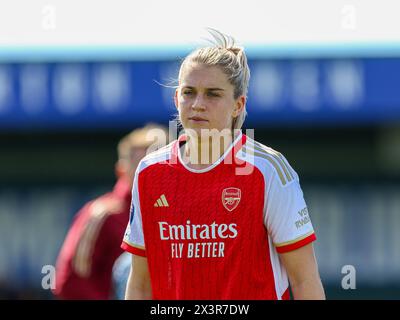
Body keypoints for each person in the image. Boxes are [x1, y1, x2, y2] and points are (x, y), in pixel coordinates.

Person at [121, 29, 325, 300]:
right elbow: (140, 285)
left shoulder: (268, 170)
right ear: (176, 99)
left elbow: (305, 280)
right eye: (188, 92)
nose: (198, 104)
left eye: (213, 94)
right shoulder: (149, 172)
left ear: (238, 105)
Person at [53, 124, 167, 299]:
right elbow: (69, 282)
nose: (149, 173)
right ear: (121, 171)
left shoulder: (177, 215)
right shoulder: (103, 214)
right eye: (141, 166)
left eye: (158, 165)